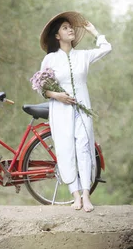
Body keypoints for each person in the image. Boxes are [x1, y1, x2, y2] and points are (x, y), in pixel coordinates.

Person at [38, 11, 112, 212]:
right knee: (66, 149)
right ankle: (75, 196)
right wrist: (57, 95)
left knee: (84, 147)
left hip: (83, 109)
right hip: (61, 110)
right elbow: (41, 87)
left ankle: (87, 195)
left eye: (71, 27)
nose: (70, 29)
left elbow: (107, 48)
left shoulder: (83, 56)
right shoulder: (50, 60)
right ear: (57, 36)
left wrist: (94, 32)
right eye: (65, 27)